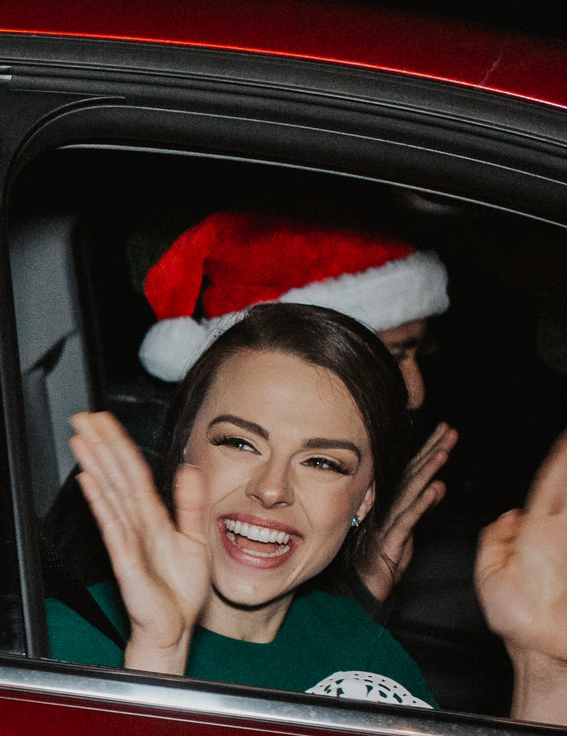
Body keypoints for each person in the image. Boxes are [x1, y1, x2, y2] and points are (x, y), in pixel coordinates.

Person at [53, 302, 567, 727]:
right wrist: (160, 656)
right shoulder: (61, 637)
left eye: (324, 463)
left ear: (366, 498)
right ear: (184, 449)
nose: (271, 489)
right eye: (239, 443)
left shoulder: (369, 662)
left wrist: (547, 665)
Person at [136, 211, 457, 604]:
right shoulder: (130, 496)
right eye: (238, 442)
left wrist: (359, 597)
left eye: (323, 462)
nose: (415, 392)